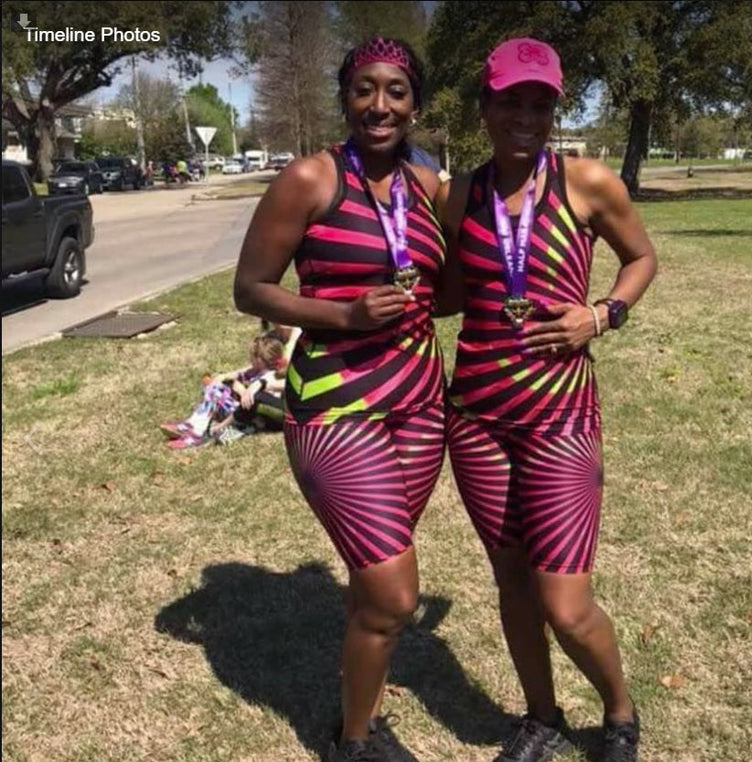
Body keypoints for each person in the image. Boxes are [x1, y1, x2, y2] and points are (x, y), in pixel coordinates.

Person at [435, 37, 657, 762]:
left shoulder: (588, 182)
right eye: (511, 101)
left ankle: (619, 712)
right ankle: (542, 716)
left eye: (540, 103)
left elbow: (641, 258)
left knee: (564, 601)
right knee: (512, 581)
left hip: (560, 418)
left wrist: (603, 314)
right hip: (476, 420)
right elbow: (454, 292)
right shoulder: (463, 192)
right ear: (486, 107)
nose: (525, 116)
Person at [232, 36, 447, 762]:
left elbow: (444, 284)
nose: (379, 105)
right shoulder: (310, 178)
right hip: (335, 406)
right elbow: (251, 289)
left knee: (371, 579)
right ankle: (354, 742)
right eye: (364, 89)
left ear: (415, 103)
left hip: (420, 405)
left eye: (395, 91)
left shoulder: (427, 183)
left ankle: (360, 713)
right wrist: (346, 316)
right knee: (392, 595)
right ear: (345, 97)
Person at [161, 329, 288, 449]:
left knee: (215, 391)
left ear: (259, 360)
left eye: (251, 357)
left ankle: (195, 431)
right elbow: (239, 373)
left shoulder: (270, 377)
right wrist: (224, 376)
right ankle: (192, 425)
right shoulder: (255, 370)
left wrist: (241, 390)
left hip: (249, 416)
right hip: (239, 409)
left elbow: (257, 401)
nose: (249, 359)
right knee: (215, 385)